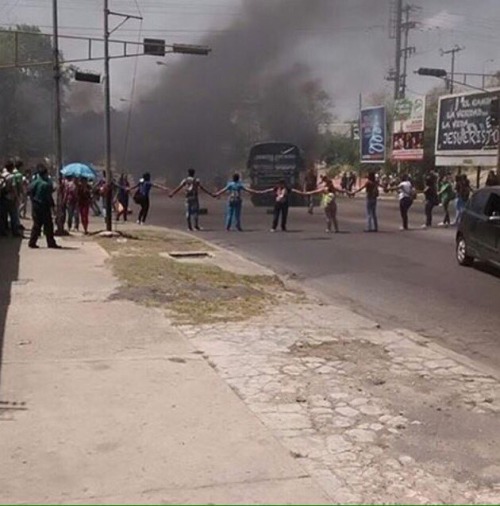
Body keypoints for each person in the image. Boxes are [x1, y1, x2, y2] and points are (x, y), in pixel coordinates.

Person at [28, 164, 60, 249]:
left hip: (36, 205)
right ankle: (51, 242)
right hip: (44, 206)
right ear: (45, 174)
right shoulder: (46, 184)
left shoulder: (35, 182)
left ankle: (32, 242)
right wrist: (53, 208)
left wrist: (33, 201)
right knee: (48, 225)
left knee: (36, 224)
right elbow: (48, 197)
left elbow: (30, 191)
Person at [0, 160, 22, 237]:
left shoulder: (2, 175)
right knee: (14, 215)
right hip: (10, 198)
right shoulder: (11, 177)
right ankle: (15, 232)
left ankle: (2, 231)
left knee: (3, 216)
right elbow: (14, 187)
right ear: (12, 168)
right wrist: (17, 197)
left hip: (2, 197)